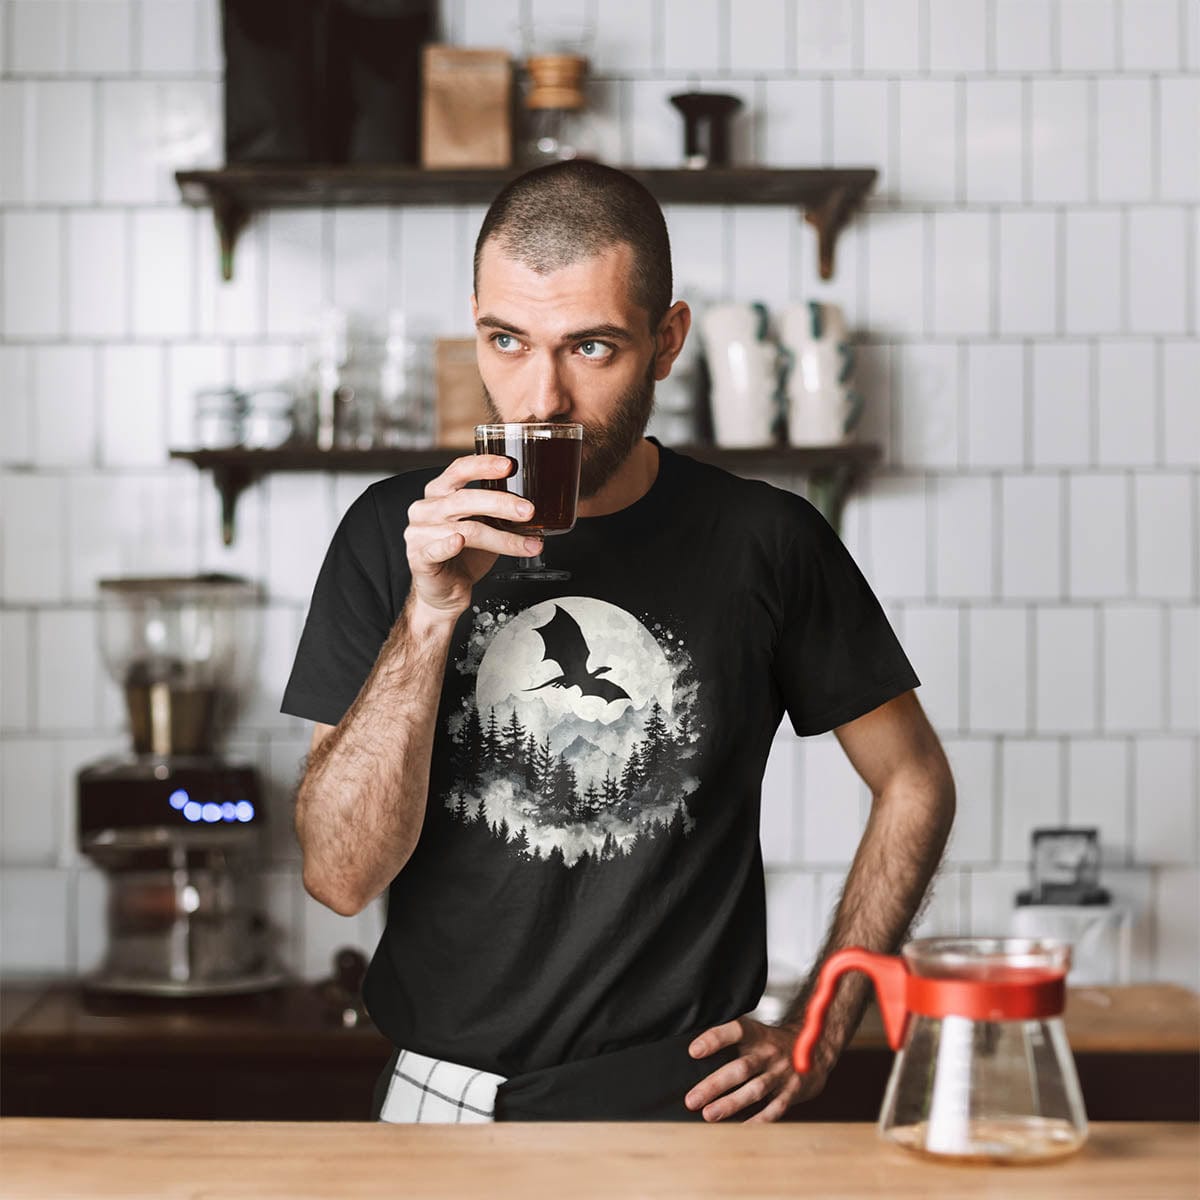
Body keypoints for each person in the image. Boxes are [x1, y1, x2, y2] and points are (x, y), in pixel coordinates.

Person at [281, 161, 955, 1124]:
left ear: (666, 341)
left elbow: (915, 779)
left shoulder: (767, 541)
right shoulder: (393, 532)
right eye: (505, 341)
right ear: (475, 321)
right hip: (441, 1104)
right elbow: (338, 878)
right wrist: (431, 615)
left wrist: (821, 1025)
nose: (539, 398)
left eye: (590, 347)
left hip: (683, 1111)